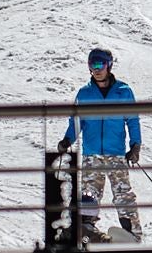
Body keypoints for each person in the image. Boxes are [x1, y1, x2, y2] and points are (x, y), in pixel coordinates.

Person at [56, 48, 143, 240]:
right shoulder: (85, 94)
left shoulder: (123, 92)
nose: (96, 69)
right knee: (89, 195)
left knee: (123, 195)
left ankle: (133, 235)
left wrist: (135, 146)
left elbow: (133, 120)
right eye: (92, 65)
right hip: (92, 153)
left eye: (100, 64)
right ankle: (85, 230)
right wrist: (68, 139)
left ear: (108, 65)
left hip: (116, 153)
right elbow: (76, 121)